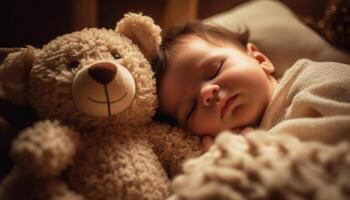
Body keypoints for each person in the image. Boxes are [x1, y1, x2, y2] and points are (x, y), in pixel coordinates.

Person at [152, 22, 350, 151]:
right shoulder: (230, 153)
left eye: (215, 70)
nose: (206, 93)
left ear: (259, 58)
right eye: (190, 109)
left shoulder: (311, 79)